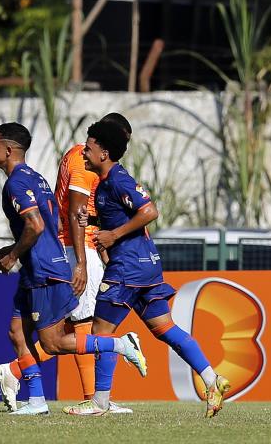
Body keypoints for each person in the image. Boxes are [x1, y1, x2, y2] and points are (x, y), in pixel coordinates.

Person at [63, 113, 230, 418]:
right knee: (164, 328)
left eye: (88, 148)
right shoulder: (105, 184)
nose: (83, 152)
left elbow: (149, 211)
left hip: (128, 267)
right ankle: (212, 380)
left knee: (101, 331)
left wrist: (112, 235)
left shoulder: (118, 180)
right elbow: (122, 215)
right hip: (146, 265)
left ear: (104, 153)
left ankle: (100, 402)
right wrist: (99, 222)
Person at [0, 122, 147, 416]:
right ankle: (36, 401)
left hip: (44, 269)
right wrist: (13, 251)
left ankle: (119, 346)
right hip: (39, 266)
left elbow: (36, 225)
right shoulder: (35, 177)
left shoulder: (17, 182)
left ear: (8, 150)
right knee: (16, 333)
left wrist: (14, 255)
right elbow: (43, 224)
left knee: (55, 341)